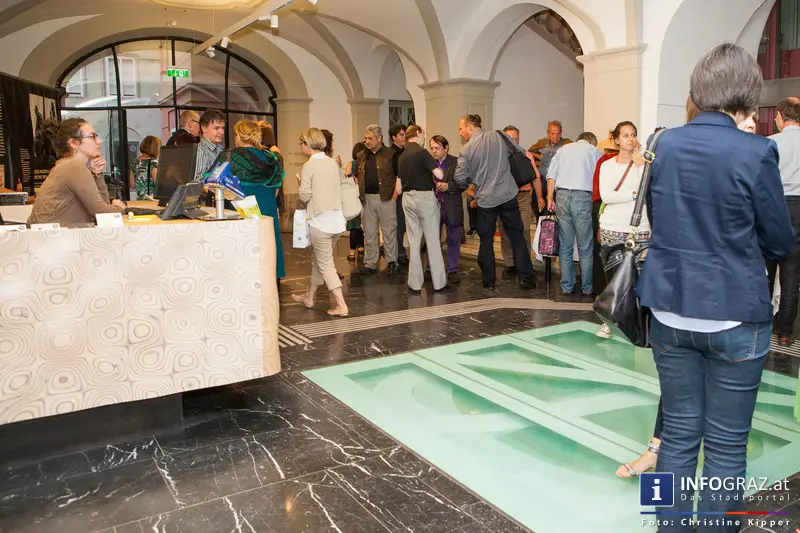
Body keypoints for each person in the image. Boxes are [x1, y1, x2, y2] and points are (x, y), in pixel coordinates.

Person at [638, 44, 794, 530]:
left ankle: (666, 523)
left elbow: (659, 218)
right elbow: (778, 238)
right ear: (748, 93)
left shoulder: (665, 143)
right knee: (726, 445)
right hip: (733, 315)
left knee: (674, 436)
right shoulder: (756, 149)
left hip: (667, 310)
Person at [615, 96, 701, 480]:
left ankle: (666, 505)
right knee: (681, 400)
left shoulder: (664, 148)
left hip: (687, 295)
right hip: (681, 294)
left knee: (688, 403)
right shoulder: (663, 149)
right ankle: (658, 468)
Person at [454, 113, 536, 291]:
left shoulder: (466, 149)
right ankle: (526, 278)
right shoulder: (499, 135)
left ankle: (489, 281)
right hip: (508, 195)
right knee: (517, 237)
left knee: (486, 241)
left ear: (470, 127)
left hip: (486, 200)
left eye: (461, 129)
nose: (460, 133)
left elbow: (460, 177)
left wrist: (474, 179)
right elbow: (521, 152)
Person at [596, 122, 648, 338]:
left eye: (633, 135)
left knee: (642, 279)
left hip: (640, 229)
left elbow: (648, 190)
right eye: (625, 135)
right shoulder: (607, 165)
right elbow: (607, 196)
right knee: (614, 280)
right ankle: (608, 321)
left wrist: (640, 167)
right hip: (613, 228)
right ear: (616, 139)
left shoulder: (644, 164)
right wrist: (633, 195)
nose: (630, 139)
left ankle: (640, 325)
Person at [293, 128, 349, 317]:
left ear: (307, 145)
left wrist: (300, 184)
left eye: (301, 144)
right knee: (320, 260)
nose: (301, 147)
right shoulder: (333, 163)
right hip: (337, 221)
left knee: (326, 264)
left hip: (320, 221)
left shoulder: (309, 165)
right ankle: (309, 296)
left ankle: (341, 304)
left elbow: (305, 195)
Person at [28, 118, 126, 226]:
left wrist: (97, 173)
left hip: (52, 236)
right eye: (92, 136)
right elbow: (102, 214)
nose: (99, 141)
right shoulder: (74, 167)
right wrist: (119, 208)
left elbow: (103, 210)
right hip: (53, 238)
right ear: (73, 143)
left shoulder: (68, 165)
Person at [546, 132, 601, 296]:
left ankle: (567, 287)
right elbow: (600, 177)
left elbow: (551, 176)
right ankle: (587, 288)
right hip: (582, 197)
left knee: (565, 246)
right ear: (592, 141)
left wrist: (550, 198)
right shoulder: (593, 151)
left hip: (562, 196)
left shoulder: (563, 149)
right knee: (585, 247)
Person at [230, 120, 286, 280]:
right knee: (268, 238)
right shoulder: (271, 157)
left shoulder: (232, 155)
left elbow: (214, 179)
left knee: (245, 243)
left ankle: (246, 275)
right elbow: (277, 185)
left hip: (241, 203)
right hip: (266, 201)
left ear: (239, 136)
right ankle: (272, 274)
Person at [766, 97, 800, 347]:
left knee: (765, 271)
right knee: (792, 274)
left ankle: (762, 323)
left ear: (780, 116)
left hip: (775, 206)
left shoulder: (772, 142)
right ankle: (786, 332)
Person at [397, 125, 447, 292]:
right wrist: (441, 171)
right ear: (417, 134)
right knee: (432, 240)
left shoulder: (402, 156)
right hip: (424, 197)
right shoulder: (422, 152)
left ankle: (414, 283)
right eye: (423, 133)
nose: (425, 136)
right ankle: (439, 283)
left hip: (407, 198)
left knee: (414, 241)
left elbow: (397, 188)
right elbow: (439, 175)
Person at [499, 126, 544, 276]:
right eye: (510, 138)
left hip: (523, 196)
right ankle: (510, 262)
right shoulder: (498, 156)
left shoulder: (526, 155)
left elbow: (535, 177)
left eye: (516, 138)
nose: (514, 141)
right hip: (504, 198)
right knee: (505, 231)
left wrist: (539, 197)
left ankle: (525, 262)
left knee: (524, 228)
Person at [355, 125, 400, 275]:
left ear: (379, 138)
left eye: (370, 138)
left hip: (387, 198)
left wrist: (394, 196)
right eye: (365, 138)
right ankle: (370, 263)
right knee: (369, 232)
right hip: (367, 199)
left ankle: (391, 261)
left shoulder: (391, 154)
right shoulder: (361, 155)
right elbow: (356, 174)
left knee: (389, 231)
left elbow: (399, 176)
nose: (367, 141)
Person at [430, 134, 464, 285]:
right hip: (432, 206)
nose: (434, 151)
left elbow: (464, 183)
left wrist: (448, 186)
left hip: (451, 205)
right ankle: (430, 268)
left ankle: (452, 269)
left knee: (453, 239)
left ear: (446, 148)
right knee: (432, 239)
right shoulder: (429, 163)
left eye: (437, 148)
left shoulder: (456, 162)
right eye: (431, 148)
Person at [389, 124, 408, 265]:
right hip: (397, 193)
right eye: (401, 135)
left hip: (407, 192)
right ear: (394, 137)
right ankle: (399, 253)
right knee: (399, 225)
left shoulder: (406, 151)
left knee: (404, 225)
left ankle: (400, 252)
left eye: (405, 134)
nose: (404, 137)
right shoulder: (392, 154)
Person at [345, 142, 366, 262]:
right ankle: (361, 247)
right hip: (362, 196)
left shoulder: (350, 164)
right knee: (362, 225)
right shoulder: (364, 163)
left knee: (354, 226)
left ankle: (352, 251)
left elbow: (347, 177)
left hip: (352, 197)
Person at [194, 109, 225, 181]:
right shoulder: (200, 152)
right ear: (204, 128)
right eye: (216, 128)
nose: (222, 132)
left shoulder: (220, 149)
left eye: (223, 128)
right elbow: (197, 183)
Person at [129, 135, 160, 200]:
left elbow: (132, 185)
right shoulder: (153, 163)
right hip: (152, 200)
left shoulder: (135, 162)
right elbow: (158, 184)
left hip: (140, 200)